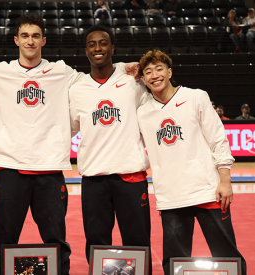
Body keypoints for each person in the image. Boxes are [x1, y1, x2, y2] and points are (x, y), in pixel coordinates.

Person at [0, 13, 138, 275]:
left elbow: (97, 75)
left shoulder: (61, 72)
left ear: (44, 40)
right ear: (16, 40)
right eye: (25, 36)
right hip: (11, 169)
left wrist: (124, 67)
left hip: (50, 170)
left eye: (35, 36)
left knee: (56, 239)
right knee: (4, 238)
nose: (30, 41)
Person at [136, 49, 247, 275]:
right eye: (147, 72)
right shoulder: (142, 112)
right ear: (143, 79)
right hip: (171, 196)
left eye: (159, 69)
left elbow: (218, 140)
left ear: (169, 72)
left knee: (227, 257)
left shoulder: (196, 96)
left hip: (207, 190)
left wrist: (225, 180)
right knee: (175, 263)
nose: (154, 75)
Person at [69, 25, 152, 271]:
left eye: (103, 43)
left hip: (130, 174)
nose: (98, 48)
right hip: (94, 178)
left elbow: (153, 112)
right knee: (96, 244)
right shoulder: (77, 89)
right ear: (86, 51)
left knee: (137, 244)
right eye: (92, 44)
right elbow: (68, 128)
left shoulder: (132, 81)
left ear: (112, 48)